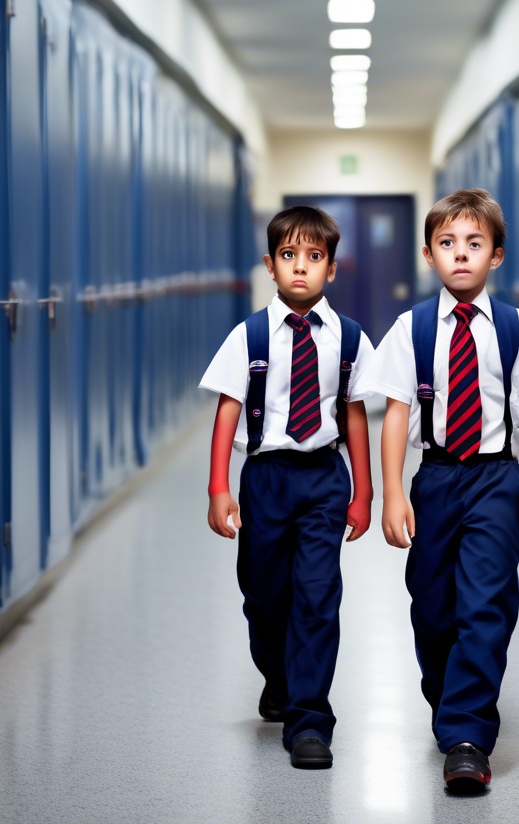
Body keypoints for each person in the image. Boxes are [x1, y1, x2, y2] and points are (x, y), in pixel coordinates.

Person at [357, 187, 519, 792]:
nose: (461, 255)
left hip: (497, 477)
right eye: (448, 244)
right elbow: (395, 414)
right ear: (429, 255)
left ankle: (468, 736)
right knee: (434, 607)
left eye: (475, 244)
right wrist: (393, 493)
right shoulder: (412, 328)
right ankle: (448, 700)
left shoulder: (516, 328)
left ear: (496, 255)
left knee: (486, 603)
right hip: (438, 478)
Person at [199, 206, 374, 769]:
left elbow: (355, 416)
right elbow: (228, 411)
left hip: (324, 476)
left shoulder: (348, 338)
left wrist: (363, 492)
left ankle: (310, 720)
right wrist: (217, 489)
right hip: (265, 478)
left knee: (319, 597)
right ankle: (278, 677)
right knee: (265, 597)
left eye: (314, 257)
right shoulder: (248, 334)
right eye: (289, 256)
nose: (302, 268)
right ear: (271, 266)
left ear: (332, 268)